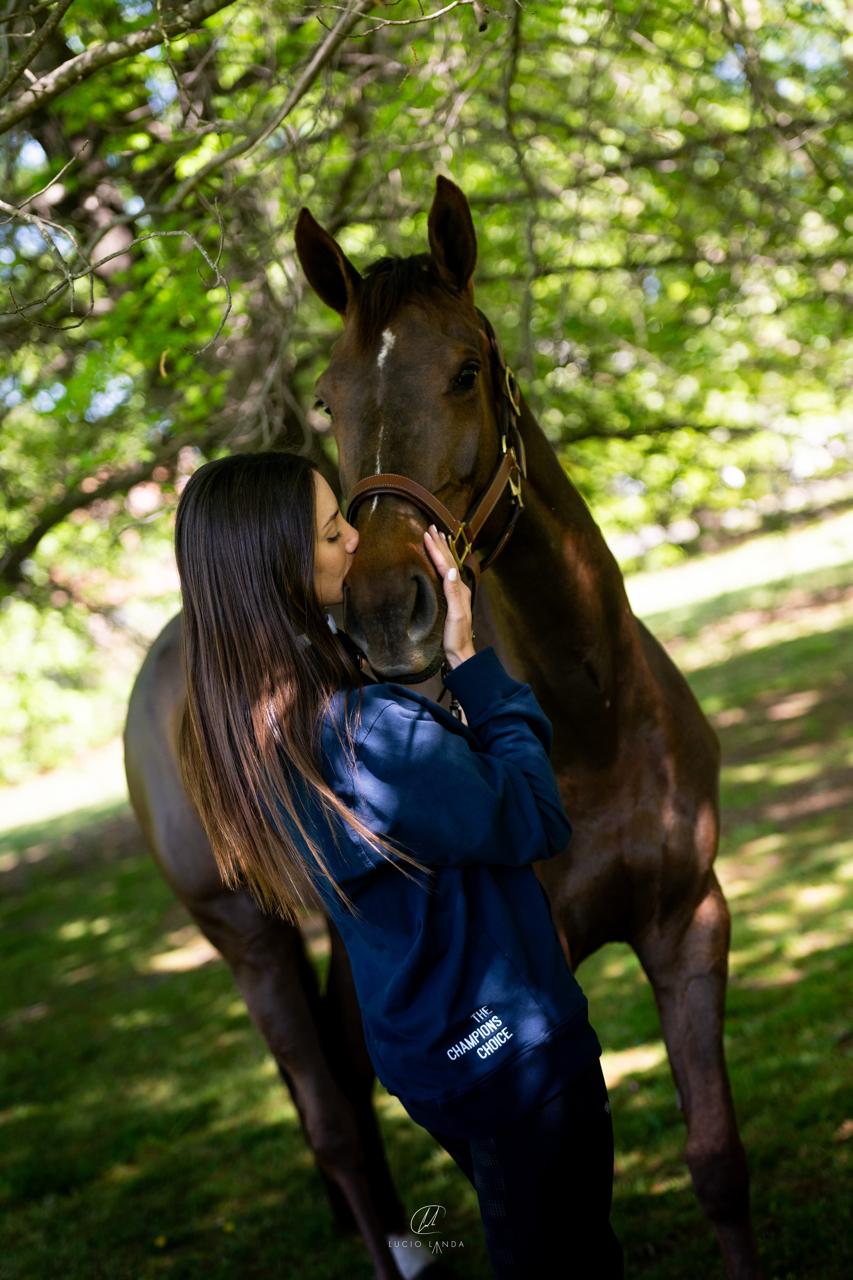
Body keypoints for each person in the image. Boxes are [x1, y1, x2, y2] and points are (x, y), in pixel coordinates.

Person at [175, 450, 623, 1279]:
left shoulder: (240, 737)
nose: (355, 538)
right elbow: (533, 817)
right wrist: (471, 666)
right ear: (276, 566)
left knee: (531, 1235)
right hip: (512, 1054)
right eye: (330, 530)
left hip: (425, 1056)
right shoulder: (366, 733)